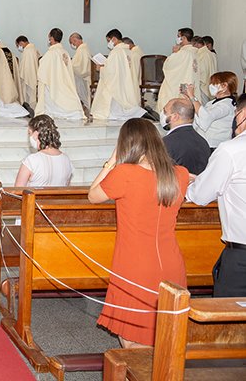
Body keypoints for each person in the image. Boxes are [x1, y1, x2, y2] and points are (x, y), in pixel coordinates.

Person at [88, 118, 189, 347]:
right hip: (171, 262)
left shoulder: (125, 173)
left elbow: (93, 195)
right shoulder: (180, 174)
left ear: (127, 143)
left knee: (133, 341)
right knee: (165, 334)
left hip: (135, 264)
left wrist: (111, 162)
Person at [186, 94, 246, 297]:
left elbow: (200, 195)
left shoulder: (231, 150)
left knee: (230, 312)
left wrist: (189, 184)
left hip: (242, 256)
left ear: (241, 115)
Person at [90, 29, 146, 121]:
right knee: (124, 101)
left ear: (114, 39)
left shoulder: (116, 52)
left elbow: (111, 71)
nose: (108, 43)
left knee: (112, 100)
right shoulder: (128, 51)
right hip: (125, 81)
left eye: (108, 41)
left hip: (117, 82)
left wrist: (100, 68)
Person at [35, 28, 83, 120]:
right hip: (65, 82)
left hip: (54, 83)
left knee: (53, 98)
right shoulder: (65, 52)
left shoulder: (51, 53)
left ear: (51, 38)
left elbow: (43, 69)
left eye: (49, 38)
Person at [14, 114, 73, 187]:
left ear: (36, 134)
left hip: (35, 195)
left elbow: (18, 190)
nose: (29, 137)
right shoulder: (66, 159)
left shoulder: (31, 160)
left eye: (29, 133)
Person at [183, 72, 238, 149]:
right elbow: (199, 117)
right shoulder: (211, 103)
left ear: (224, 86)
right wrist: (189, 98)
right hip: (203, 143)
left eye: (214, 83)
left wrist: (192, 97)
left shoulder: (227, 105)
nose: (211, 86)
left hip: (213, 146)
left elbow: (206, 118)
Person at [161, 97, 211, 175]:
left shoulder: (166, 143)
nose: (162, 113)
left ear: (175, 117)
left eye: (165, 111)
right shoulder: (203, 142)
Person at [0, 36, 28, 118]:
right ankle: (21, 111)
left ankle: (21, 111)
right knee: (9, 99)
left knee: (0, 103)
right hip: (10, 82)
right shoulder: (9, 52)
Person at [157, 27, 199, 113]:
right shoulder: (195, 52)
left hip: (180, 86)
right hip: (190, 84)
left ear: (183, 38)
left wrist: (174, 53)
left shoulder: (182, 53)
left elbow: (168, 66)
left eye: (178, 36)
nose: (177, 39)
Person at [15, 35, 39, 113]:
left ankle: (29, 110)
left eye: (18, 45)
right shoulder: (34, 49)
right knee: (32, 95)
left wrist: (19, 74)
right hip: (33, 75)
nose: (19, 47)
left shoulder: (27, 50)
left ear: (21, 43)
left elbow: (24, 66)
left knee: (28, 95)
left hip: (27, 76)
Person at [69, 32, 91, 110]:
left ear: (76, 40)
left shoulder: (82, 49)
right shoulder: (82, 49)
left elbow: (78, 66)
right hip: (79, 77)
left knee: (83, 96)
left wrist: (68, 64)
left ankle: (87, 110)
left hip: (81, 78)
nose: (72, 44)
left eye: (72, 42)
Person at [193, 36, 218, 103]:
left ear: (197, 44)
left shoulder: (202, 55)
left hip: (203, 86)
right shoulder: (210, 53)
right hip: (210, 84)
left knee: (203, 107)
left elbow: (202, 71)